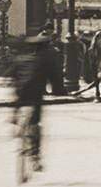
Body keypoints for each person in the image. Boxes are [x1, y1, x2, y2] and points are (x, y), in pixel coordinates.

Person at [10, 34, 66, 174]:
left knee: (19, 109)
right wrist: (59, 91)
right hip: (35, 96)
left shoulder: (20, 59)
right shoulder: (45, 61)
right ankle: (35, 155)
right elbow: (55, 80)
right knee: (35, 124)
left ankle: (15, 120)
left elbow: (10, 76)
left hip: (20, 95)